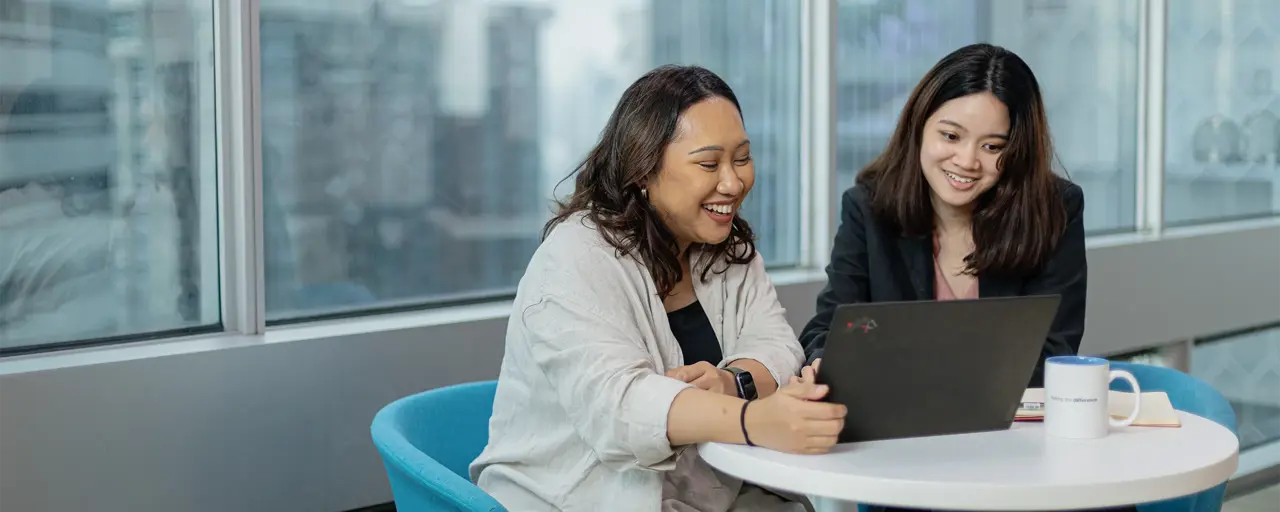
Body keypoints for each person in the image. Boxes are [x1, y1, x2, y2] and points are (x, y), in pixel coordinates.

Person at [470, 65, 847, 511]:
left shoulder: (724, 245)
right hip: (577, 499)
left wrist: (733, 382)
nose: (732, 182)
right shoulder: (575, 256)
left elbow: (780, 347)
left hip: (707, 493)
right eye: (709, 163)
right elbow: (620, 407)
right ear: (644, 170)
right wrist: (754, 419)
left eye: (742, 158)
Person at [799, 43, 1126, 512]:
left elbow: (1055, 348)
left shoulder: (1054, 208)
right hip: (907, 459)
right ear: (919, 127)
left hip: (1019, 453)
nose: (967, 161)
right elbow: (829, 326)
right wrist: (822, 363)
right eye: (950, 136)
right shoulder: (868, 208)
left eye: (993, 147)